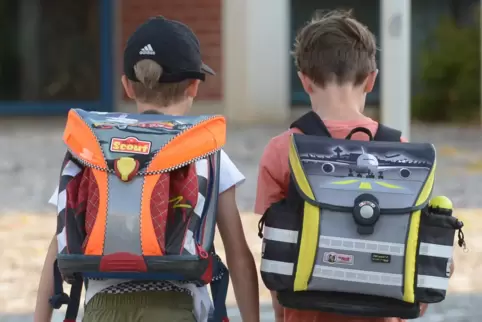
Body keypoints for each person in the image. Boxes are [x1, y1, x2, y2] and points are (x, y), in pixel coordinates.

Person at [34, 16, 260, 322]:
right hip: (179, 308)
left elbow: (57, 245)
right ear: (194, 86)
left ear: (127, 85)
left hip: (103, 310)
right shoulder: (207, 152)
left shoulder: (95, 147)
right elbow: (238, 253)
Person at [254, 10, 453, 322]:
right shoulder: (400, 152)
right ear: (371, 79)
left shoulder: (282, 150)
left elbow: (275, 255)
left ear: (304, 81)